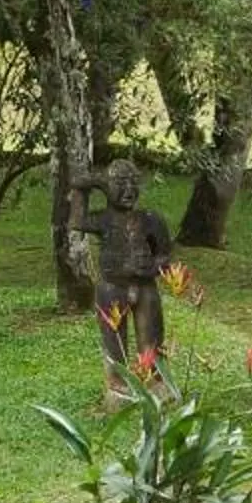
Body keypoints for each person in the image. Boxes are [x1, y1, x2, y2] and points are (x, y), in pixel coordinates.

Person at [74, 158, 173, 392]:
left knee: (151, 339)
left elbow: (165, 254)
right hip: (112, 287)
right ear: (107, 188)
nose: (128, 190)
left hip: (145, 286)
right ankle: (118, 386)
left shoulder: (150, 219)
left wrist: (152, 267)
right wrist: (87, 185)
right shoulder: (103, 219)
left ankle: (155, 382)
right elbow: (75, 220)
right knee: (114, 341)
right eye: (120, 184)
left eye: (133, 184)